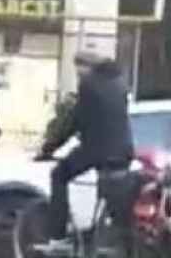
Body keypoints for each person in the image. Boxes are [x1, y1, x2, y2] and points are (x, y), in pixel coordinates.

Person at [38, 50, 133, 240]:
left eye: (78, 70)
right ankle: (108, 234)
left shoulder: (89, 85)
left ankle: (57, 231)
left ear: (86, 67)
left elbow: (74, 121)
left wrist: (49, 147)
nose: (77, 74)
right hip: (124, 151)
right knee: (112, 192)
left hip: (97, 150)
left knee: (58, 175)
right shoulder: (120, 82)